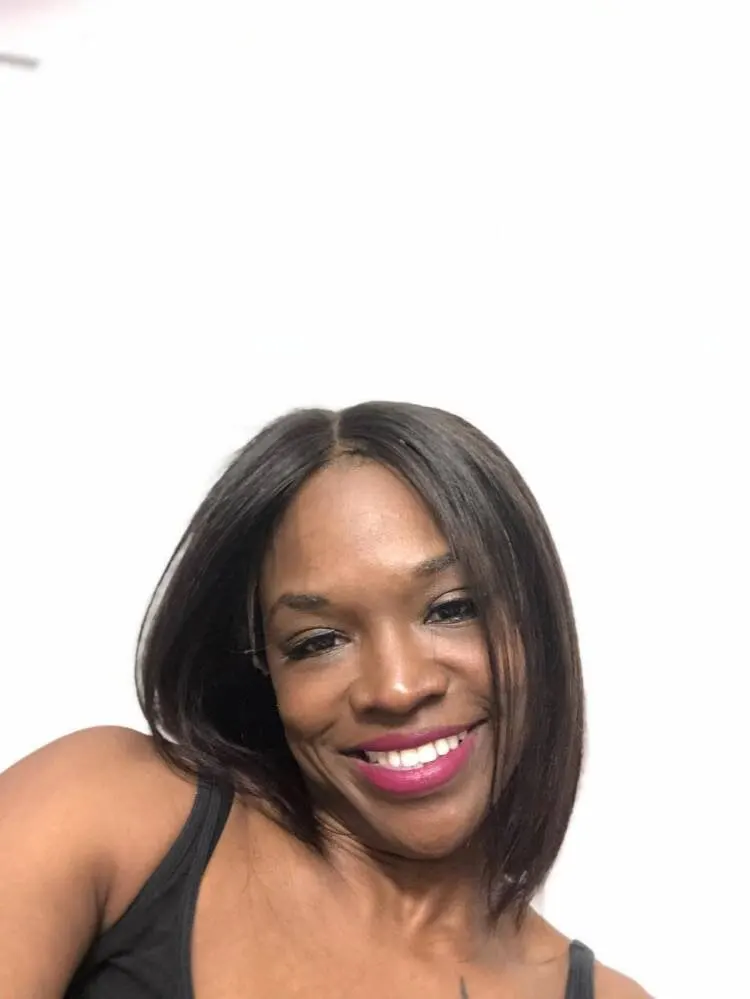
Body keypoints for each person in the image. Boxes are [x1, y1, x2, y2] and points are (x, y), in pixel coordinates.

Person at [0, 401, 651, 998]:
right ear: (263, 668)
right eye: (318, 641)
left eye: (451, 609)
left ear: (536, 623)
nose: (396, 687)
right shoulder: (105, 811)